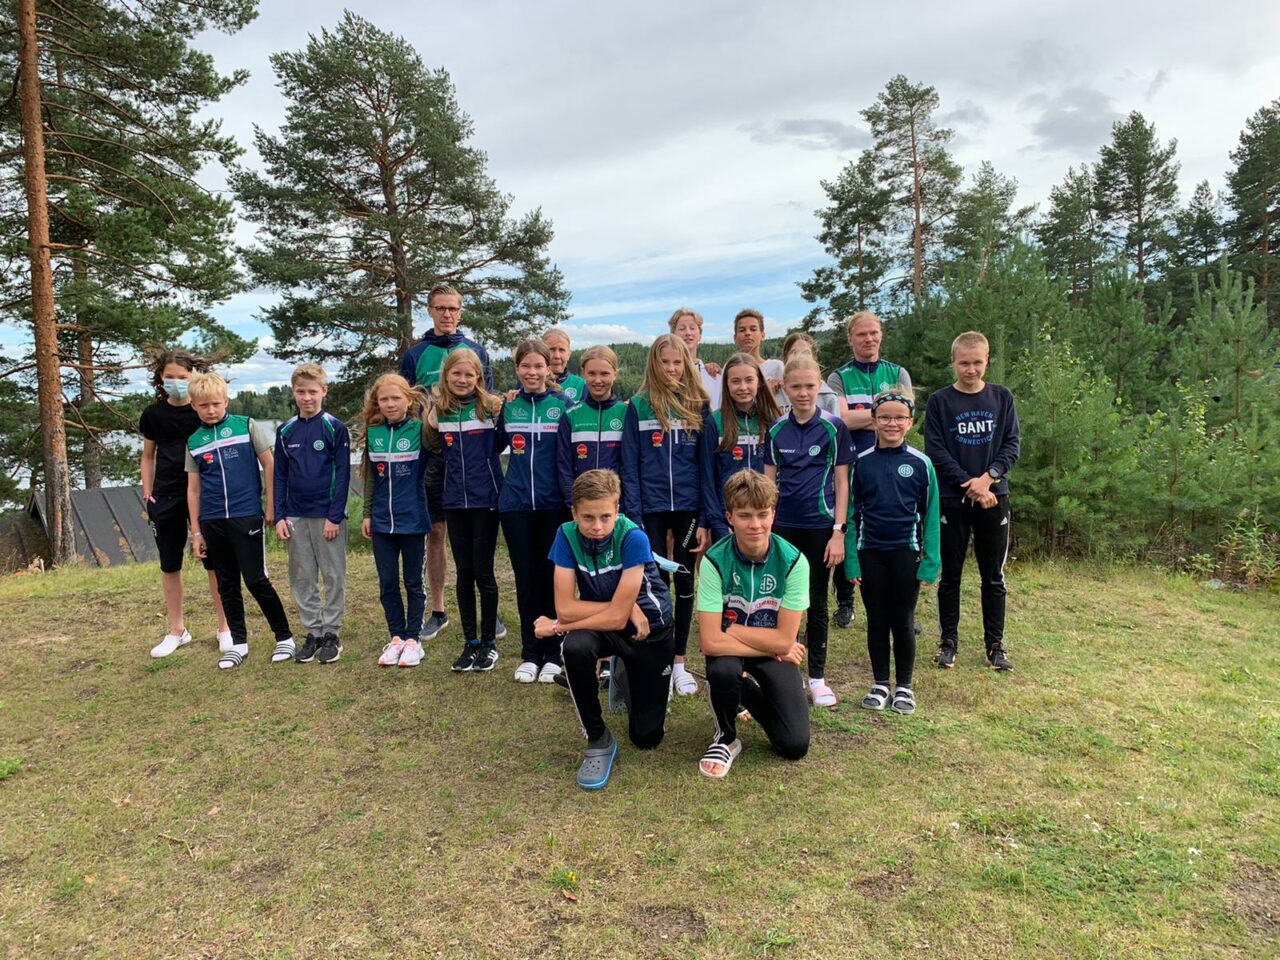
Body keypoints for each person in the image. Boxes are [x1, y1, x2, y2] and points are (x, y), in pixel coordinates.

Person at [535, 469, 675, 790]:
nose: (597, 527)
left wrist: (558, 626)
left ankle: (624, 672)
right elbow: (566, 606)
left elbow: (612, 618)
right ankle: (598, 738)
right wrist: (612, 609)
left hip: (650, 630)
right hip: (610, 623)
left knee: (647, 738)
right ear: (574, 513)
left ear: (617, 510)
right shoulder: (566, 535)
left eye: (605, 517)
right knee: (575, 647)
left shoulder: (633, 537)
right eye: (588, 517)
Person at [697, 470, 811, 778]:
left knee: (794, 744)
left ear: (773, 514)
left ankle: (743, 691)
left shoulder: (794, 562)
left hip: (763, 649)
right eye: (745, 516)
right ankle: (726, 738)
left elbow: (785, 640)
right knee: (723, 669)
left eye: (762, 514)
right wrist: (776, 646)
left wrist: (732, 628)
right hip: (740, 651)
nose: (755, 525)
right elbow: (710, 642)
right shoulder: (714, 561)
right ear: (730, 518)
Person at [401, 284, 496, 646]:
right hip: (435, 456)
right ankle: (438, 610)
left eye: (453, 308)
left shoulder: (476, 351)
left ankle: (487, 611)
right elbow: (408, 403)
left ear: (461, 311)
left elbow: (489, 401)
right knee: (437, 533)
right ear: (429, 311)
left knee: (477, 541)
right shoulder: (416, 354)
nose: (447, 314)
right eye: (440, 308)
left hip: (472, 457)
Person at [924, 331, 1020, 672]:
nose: (971, 369)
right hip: (953, 498)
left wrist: (988, 478)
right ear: (953, 362)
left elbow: (1012, 444)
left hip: (995, 497)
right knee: (950, 574)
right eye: (964, 363)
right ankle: (948, 641)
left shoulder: (1001, 397)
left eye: (977, 362)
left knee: (993, 575)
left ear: (987, 361)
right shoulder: (940, 401)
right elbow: (935, 449)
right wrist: (970, 485)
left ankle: (995, 645)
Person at [185, 373, 295, 669]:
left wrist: (271, 504)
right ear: (194, 406)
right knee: (227, 584)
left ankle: (284, 637)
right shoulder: (194, 440)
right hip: (212, 520)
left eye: (216, 404)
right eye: (204, 405)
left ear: (226, 401)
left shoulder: (245, 425)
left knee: (256, 579)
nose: (211, 410)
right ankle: (238, 643)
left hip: (246, 514)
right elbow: (193, 489)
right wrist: (196, 532)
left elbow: (269, 463)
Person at [621, 334, 709, 696]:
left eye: (677, 362)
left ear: (686, 364)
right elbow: (629, 466)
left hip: (688, 509)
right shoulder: (638, 405)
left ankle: (680, 662)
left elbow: (705, 466)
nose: (671, 369)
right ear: (653, 365)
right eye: (665, 362)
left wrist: (704, 516)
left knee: (685, 582)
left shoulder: (698, 404)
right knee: (655, 583)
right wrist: (635, 517)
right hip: (650, 510)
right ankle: (659, 659)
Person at [763, 357, 853, 709]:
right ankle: (786, 673)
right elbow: (767, 486)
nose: (803, 393)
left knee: (815, 601)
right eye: (796, 386)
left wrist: (838, 532)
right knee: (781, 600)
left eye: (809, 386)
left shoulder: (834, 427)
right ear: (785, 387)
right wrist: (766, 531)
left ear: (820, 387)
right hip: (783, 527)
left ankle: (817, 677)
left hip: (820, 527)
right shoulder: (775, 430)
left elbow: (842, 483)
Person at [846, 391, 940, 715]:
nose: (892, 423)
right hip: (870, 553)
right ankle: (880, 684)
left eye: (899, 417)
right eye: (885, 417)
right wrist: (851, 561)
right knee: (877, 619)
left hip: (906, 553)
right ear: (874, 421)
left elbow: (931, 517)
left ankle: (904, 687)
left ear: (909, 423)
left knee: (902, 619)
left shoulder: (921, 463)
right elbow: (851, 515)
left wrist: (930, 563)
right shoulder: (862, 463)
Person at [140, 348, 231, 658]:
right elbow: (148, 456)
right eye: (170, 377)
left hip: (204, 494)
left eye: (182, 377)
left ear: (192, 377)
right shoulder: (153, 415)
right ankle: (177, 630)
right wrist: (148, 492)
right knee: (170, 564)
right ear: (160, 378)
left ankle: (225, 627)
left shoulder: (202, 410)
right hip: (165, 496)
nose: (176, 382)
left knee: (214, 562)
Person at [827, 311, 913, 629]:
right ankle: (845, 602)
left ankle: (901, 606)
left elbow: (906, 412)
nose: (869, 339)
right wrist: (885, 411)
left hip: (894, 463)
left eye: (874, 333)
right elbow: (842, 420)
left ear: (881, 335)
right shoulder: (839, 377)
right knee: (849, 528)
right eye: (862, 334)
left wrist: (867, 413)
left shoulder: (897, 372)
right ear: (851, 339)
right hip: (855, 464)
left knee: (895, 529)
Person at [499, 339, 574, 684]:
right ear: (517, 369)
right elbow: (490, 445)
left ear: (548, 368)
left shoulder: (563, 405)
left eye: (538, 366)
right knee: (526, 579)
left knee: (555, 579)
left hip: (554, 505)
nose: (532, 372)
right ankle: (530, 653)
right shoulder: (508, 406)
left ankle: (555, 652)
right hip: (515, 506)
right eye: (525, 366)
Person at [427, 349, 505, 673]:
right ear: (446, 376)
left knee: (483, 573)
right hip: (454, 501)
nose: (462, 380)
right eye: (456, 374)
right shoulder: (438, 411)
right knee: (463, 574)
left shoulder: (492, 407)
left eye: (469, 374)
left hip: (486, 500)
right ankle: (470, 642)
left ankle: (489, 643)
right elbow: (432, 447)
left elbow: (503, 443)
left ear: (478, 377)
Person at [273, 364, 351, 665]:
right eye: (301, 392)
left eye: (312, 392)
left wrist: (335, 516)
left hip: (326, 515)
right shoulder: (285, 430)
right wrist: (279, 515)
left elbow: (343, 474)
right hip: (295, 515)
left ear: (324, 392)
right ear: (293, 393)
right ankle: (313, 632)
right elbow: (280, 475)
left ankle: (332, 633)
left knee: (333, 575)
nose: (307, 397)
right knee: (303, 576)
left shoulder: (334, 427)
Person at [359, 374, 432, 668]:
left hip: (413, 519)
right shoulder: (374, 432)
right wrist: (366, 513)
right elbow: (370, 478)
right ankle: (396, 637)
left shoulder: (420, 430)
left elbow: (438, 441)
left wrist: (432, 411)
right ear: (377, 403)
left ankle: (414, 639)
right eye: (384, 399)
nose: (390, 404)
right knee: (387, 582)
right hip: (381, 521)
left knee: (413, 581)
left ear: (408, 400)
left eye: (396, 398)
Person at [700, 353, 782, 544]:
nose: (743, 387)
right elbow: (707, 477)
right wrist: (717, 522)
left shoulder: (774, 420)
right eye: (735, 381)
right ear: (726, 384)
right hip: (727, 519)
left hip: (765, 518)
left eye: (749, 380)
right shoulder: (715, 422)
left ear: (759, 382)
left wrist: (774, 515)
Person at [556, 345, 627, 502]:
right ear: (583, 374)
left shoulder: (626, 413)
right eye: (592, 373)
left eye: (604, 374)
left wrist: (625, 505)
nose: (598, 380)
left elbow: (631, 466)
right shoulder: (571, 415)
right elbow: (564, 466)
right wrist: (574, 503)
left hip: (617, 506)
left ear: (615, 374)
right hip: (582, 506)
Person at [776, 332, 844, 418]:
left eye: (806, 352)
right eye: (794, 352)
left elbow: (834, 425)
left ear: (814, 357)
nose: (800, 356)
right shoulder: (776, 391)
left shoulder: (828, 397)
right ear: (786, 357)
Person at [669, 307, 721, 407]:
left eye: (692, 328)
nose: (688, 333)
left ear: (700, 335)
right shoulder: (666, 375)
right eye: (682, 329)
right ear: (673, 335)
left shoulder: (714, 376)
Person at [732, 309, 784, 396]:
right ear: (735, 338)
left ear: (762, 336)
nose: (747, 333)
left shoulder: (776, 367)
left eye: (753, 329)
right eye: (742, 330)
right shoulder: (730, 369)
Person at [542, 327, 586, 403]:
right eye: (551, 350)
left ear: (568, 355)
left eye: (561, 350)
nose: (557, 356)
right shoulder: (528, 384)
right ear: (541, 353)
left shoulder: (581, 385)